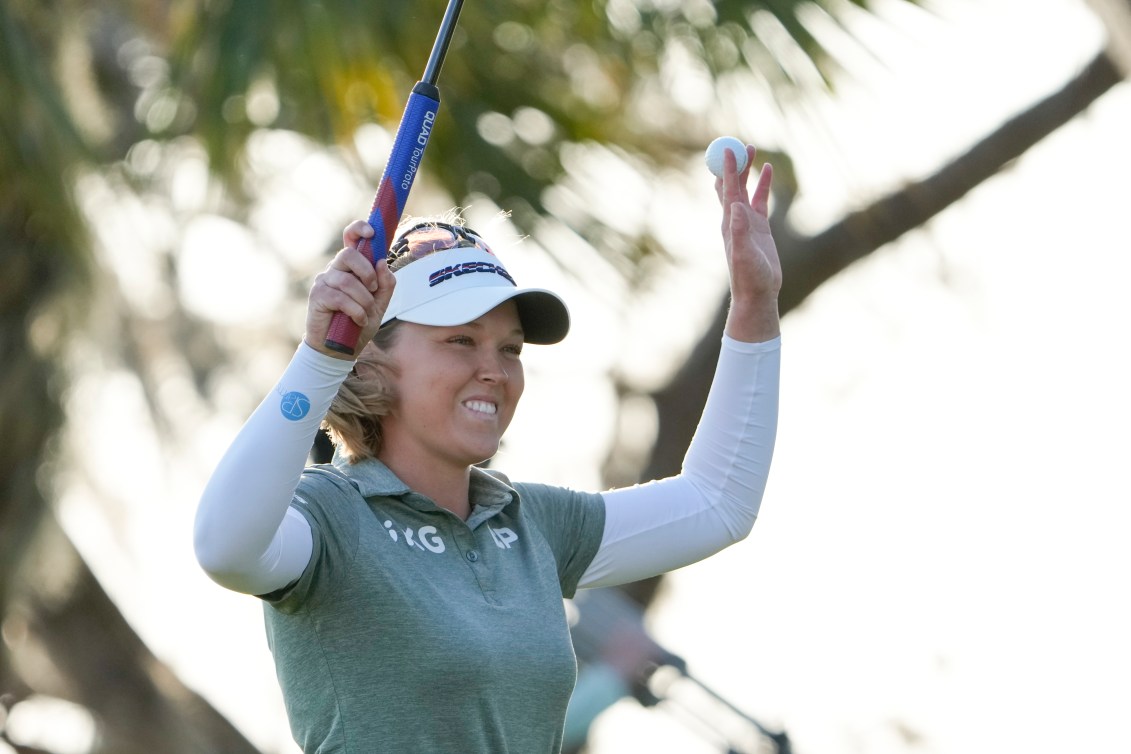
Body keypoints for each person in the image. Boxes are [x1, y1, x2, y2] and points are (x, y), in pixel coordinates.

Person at [194, 145, 781, 753]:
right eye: (461, 341)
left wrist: (755, 306)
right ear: (373, 358)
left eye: (510, 348)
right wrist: (321, 356)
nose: (494, 371)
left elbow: (719, 501)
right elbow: (224, 547)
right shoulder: (330, 518)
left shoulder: (532, 524)